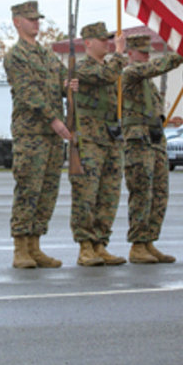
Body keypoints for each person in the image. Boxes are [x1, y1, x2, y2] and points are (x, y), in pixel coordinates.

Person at [4, 0, 72, 269]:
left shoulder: (47, 56)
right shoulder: (16, 56)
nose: (36, 23)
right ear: (17, 21)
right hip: (31, 133)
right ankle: (20, 247)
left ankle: (35, 245)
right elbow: (27, 93)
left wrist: (69, 84)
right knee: (28, 189)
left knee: (47, 191)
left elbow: (63, 80)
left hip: (53, 136)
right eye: (31, 19)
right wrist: (54, 119)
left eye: (38, 19)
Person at [120, 33, 183, 264]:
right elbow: (154, 68)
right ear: (130, 53)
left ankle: (149, 240)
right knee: (142, 193)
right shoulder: (130, 73)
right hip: (139, 142)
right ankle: (138, 244)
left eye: (148, 52)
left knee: (159, 194)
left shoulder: (148, 82)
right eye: (143, 52)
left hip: (155, 140)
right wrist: (182, 56)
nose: (147, 56)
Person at [70, 22, 127, 266]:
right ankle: (85, 246)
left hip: (110, 139)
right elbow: (107, 76)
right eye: (103, 39)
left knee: (109, 194)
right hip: (89, 140)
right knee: (86, 195)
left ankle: (100, 243)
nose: (108, 43)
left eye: (109, 39)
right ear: (88, 43)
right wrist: (120, 53)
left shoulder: (111, 67)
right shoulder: (82, 68)